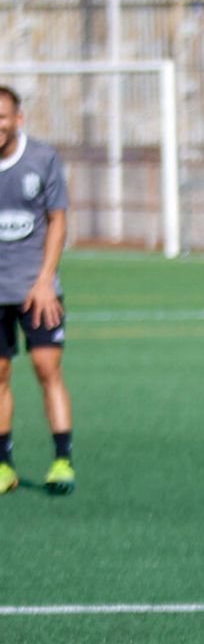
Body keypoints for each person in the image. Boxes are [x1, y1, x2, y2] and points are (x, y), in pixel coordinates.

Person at [0, 85, 74, 497]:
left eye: (2, 117)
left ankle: (62, 460)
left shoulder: (42, 159)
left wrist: (45, 279)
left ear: (17, 119)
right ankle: (4, 467)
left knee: (47, 368)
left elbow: (57, 221)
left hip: (37, 288)